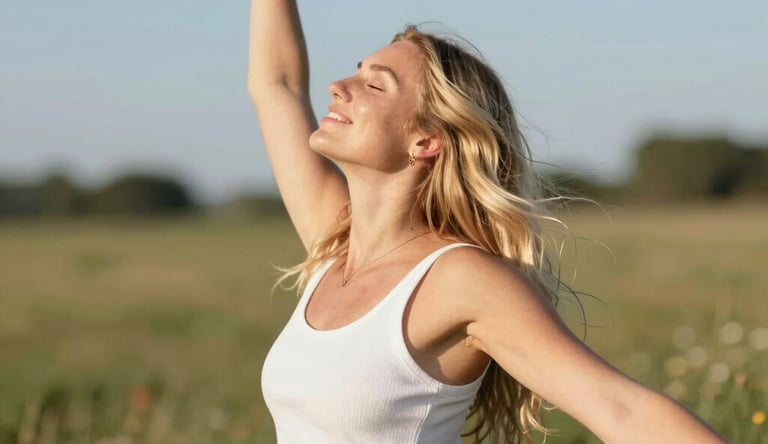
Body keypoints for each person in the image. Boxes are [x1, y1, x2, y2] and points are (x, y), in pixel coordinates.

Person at [248, 1, 729, 442]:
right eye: (356, 72)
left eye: (375, 85)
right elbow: (277, 86)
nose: (338, 87)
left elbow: (620, 409)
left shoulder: (458, 279)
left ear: (426, 141)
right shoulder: (334, 249)